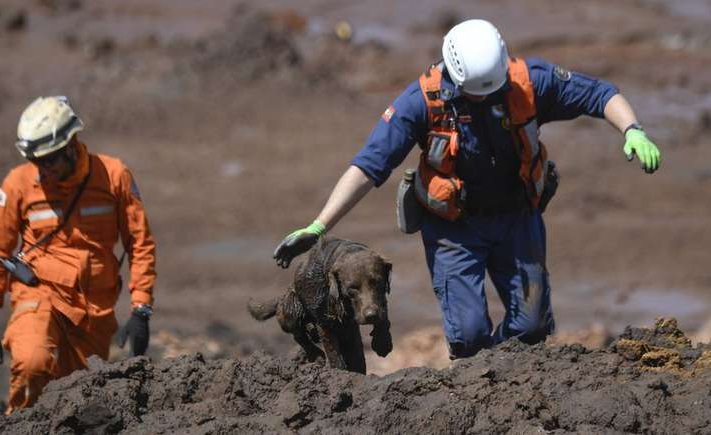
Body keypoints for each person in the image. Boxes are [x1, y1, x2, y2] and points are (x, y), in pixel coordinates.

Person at [273, 19, 661, 360]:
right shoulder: (420, 102)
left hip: (517, 219)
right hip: (453, 229)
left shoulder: (528, 81)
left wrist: (632, 130)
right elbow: (368, 167)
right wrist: (319, 226)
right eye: (477, 92)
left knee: (531, 327)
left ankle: (513, 376)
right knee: (470, 336)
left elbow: (601, 94)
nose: (486, 97)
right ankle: (481, 382)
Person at [0, 96, 157, 413]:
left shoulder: (114, 177)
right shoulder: (19, 184)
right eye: (38, 162)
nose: (44, 169)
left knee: (81, 401)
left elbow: (140, 244)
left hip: (94, 311)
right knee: (32, 364)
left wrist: (141, 310)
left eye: (50, 160)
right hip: (39, 294)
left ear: (72, 144)